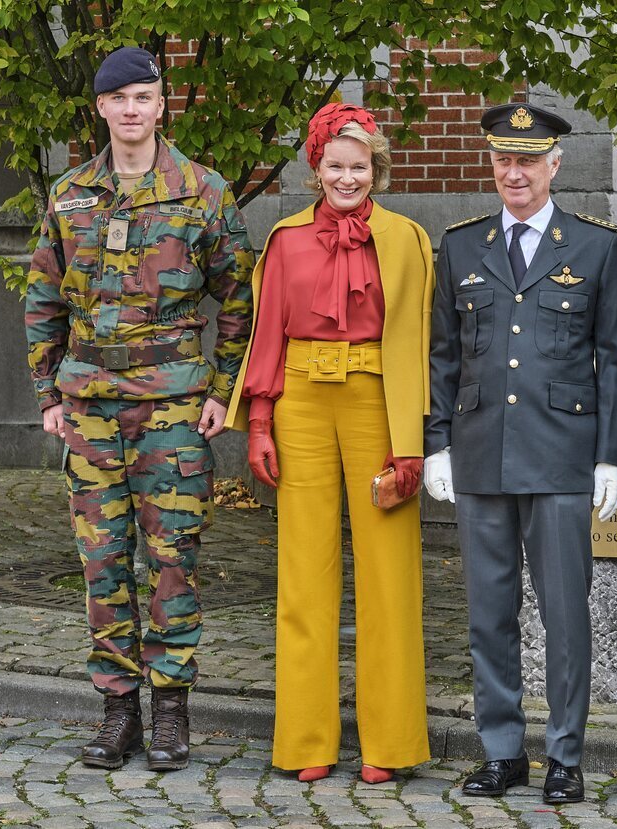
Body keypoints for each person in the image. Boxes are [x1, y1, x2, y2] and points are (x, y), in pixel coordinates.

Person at [24, 47, 254, 771]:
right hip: (89, 407)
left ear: (162, 106)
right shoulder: (70, 195)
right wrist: (48, 395)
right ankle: (117, 710)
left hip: (174, 408)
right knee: (102, 562)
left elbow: (239, 301)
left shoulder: (203, 192)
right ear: (100, 108)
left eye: (144, 98)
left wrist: (221, 392)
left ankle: (172, 713)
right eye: (119, 98)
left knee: (172, 558)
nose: (132, 110)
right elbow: (41, 301)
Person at [423, 103, 617, 805]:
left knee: (564, 613)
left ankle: (565, 755)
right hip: (482, 452)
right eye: (503, 160)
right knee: (489, 611)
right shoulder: (459, 247)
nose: (514, 172)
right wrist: (437, 444)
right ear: (493, 164)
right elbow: (444, 358)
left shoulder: (595, 248)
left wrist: (611, 456)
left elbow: (615, 362)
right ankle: (502, 749)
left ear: (554, 165)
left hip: (562, 457)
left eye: (528, 160)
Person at [225, 103, 433, 784]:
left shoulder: (407, 239)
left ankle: (391, 743)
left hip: (376, 400)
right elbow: (267, 336)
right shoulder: (284, 240)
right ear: (316, 168)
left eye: (360, 165)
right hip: (302, 405)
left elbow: (418, 346)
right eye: (335, 165)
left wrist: (410, 442)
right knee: (303, 573)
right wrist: (259, 422)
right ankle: (306, 740)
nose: (348, 177)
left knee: (389, 574)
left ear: (377, 168)